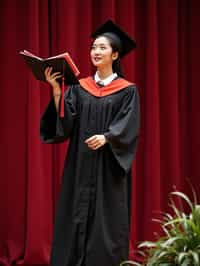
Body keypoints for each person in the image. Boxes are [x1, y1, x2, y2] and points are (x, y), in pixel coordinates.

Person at [40, 20, 140, 266]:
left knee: (106, 223)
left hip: (109, 170)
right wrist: (56, 91)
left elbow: (129, 126)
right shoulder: (79, 89)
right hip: (80, 166)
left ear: (115, 54)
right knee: (75, 215)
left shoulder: (127, 91)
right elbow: (65, 125)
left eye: (103, 47)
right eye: (94, 47)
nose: (96, 51)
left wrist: (108, 137)